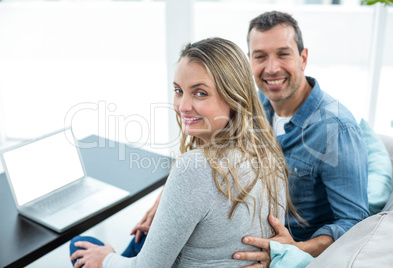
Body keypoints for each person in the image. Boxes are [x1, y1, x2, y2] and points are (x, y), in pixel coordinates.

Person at [70, 37, 298, 268]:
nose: (183, 106)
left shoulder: (196, 167)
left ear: (234, 97)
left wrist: (106, 260)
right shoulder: (266, 149)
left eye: (200, 93)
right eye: (179, 90)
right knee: (142, 239)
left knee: (80, 245)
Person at [232, 11, 369, 267]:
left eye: (283, 54)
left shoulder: (337, 129)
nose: (272, 68)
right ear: (249, 61)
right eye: (260, 56)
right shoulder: (254, 107)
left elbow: (354, 223)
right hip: (242, 238)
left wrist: (294, 249)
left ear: (303, 58)